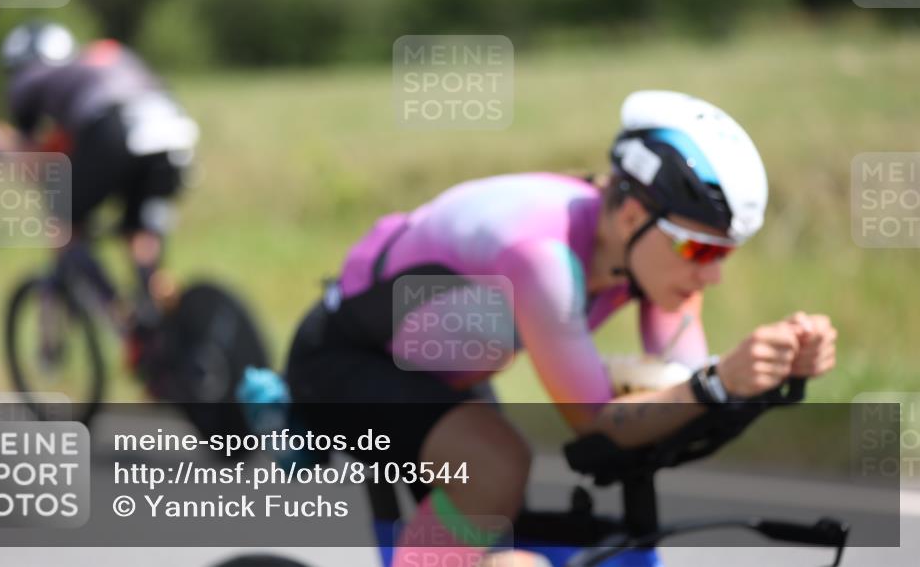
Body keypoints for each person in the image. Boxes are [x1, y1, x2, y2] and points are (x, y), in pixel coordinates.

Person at [284, 90, 838, 566]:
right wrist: (716, 383)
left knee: (502, 523)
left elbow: (685, 381)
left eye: (726, 254)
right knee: (495, 464)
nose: (711, 275)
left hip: (444, 373)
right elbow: (598, 424)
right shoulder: (542, 258)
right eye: (698, 248)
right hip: (345, 361)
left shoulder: (647, 251)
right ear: (629, 216)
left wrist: (768, 370)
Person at [0, 21, 199, 354]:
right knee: (139, 228)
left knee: (65, 225)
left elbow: (31, 154)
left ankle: (125, 318)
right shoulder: (100, 57)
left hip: (113, 128)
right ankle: (158, 316)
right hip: (172, 127)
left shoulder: (29, 79)